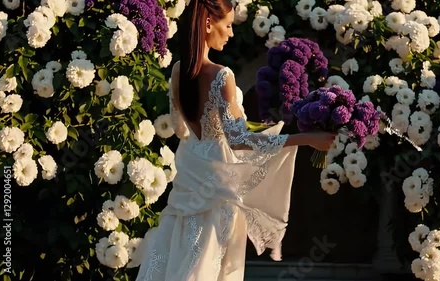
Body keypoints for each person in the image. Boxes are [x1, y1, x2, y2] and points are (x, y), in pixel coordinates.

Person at [135, 0, 336, 280]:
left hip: (191, 174)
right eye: (227, 25)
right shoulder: (221, 75)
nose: (230, 33)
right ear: (208, 24)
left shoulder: (178, 71)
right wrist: (306, 138)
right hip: (216, 187)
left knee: (178, 252)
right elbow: (239, 140)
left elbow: (183, 126)